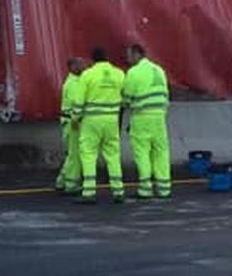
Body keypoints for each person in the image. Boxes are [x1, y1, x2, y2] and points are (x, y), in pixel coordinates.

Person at [76, 45, 126, 204]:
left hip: (91, 121)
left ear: (92, 59)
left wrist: (75, 119)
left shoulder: (87, 75)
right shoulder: (119, 74)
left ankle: (89, 192)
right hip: (112, 120)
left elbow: (78, 101)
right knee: (113, 155)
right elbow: (125, 97)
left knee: (89, 155)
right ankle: (118, 191)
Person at [123, 42, 172, 200]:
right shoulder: (159, 70)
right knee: (161, 152)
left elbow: (127, 98)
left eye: (129, 55)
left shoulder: (134, 72)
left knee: (142, 152)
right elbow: (165, 94)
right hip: (159, 117)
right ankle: (164, 188)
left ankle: (145, 189)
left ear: (137, 54)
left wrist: (124, 104)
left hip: (141, 116)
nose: (127, 58)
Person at [54, 55, 87, 195]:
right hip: (73, 122)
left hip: (70, 121)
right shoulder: (73, 84)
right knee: (74, 155)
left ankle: (61, 181)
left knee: (72, 155)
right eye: (80, 64)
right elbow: (77, 104)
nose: (84, 66)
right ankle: (71, 185)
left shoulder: (75, 81)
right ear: (72, 67)